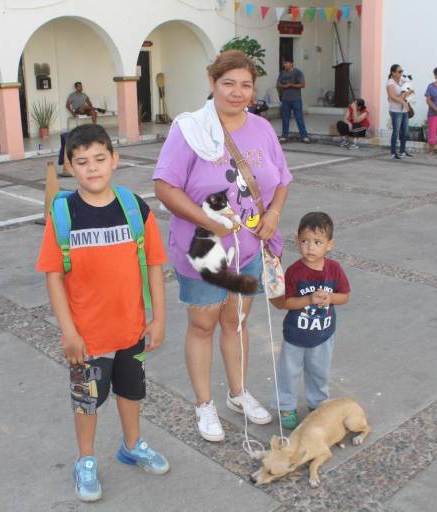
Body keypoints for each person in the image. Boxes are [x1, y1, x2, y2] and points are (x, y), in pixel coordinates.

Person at [154, 50, 292, 442]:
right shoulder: (190, 130)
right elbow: (164, 185)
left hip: (247, 247)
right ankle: (204, 404)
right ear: (212, 83)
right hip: (204, 249)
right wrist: (207, 220)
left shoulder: (262, 128)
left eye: (245, 84)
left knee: (238, 321)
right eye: (228, 83)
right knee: (203, 325)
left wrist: (273, 216)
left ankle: (238, 393)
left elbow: (282, 179)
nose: (237, 92)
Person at [36, 124, 169, 502]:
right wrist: (69, 333)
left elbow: (155, 265)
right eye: (82, 162)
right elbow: (54, 278)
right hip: (88, 337)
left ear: (115, 159)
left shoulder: (133, 208)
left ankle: (132, 445)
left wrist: (158, 317)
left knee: (131, 391)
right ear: (69, 166)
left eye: (99, 159)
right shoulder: (63, 213)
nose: (92, 168)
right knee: (87, 401)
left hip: (132, 330)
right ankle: (86, 460)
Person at [270, 212, 350, 429]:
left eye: (317, 242)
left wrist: (331, 298)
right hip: (295, 335)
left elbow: (345, 296)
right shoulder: (295, 272)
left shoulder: (334, 269)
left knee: (319, 371)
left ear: (329, 244)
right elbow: (286, 302)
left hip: (323, 335)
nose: (310, 247)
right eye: (305, 241)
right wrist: (308, 299)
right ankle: (286, 405)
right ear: (297, 241)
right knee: (289, 372)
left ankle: (318, 403)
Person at [277, 58, 310, 143]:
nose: (284, 65)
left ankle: (304, 136)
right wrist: (284, 86)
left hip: (296, 99)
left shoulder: (298, 72)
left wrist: (291, 85)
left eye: (286, 63)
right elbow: (278, 84)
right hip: (285, 99)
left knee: (299, 118)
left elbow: (303, 85)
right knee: (285, 118)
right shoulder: (282, 73)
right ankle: (284, 136)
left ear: (291, 63)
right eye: (284, 63)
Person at [386, 64, 414, 160]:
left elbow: (408, 88)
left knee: (405, 131)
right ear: (393, 73)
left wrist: (408, 92)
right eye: (399, 71)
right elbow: (392, 97)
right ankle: (393, 153)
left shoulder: (402, 80)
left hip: (404, 110)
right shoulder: (390, 82)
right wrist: (403, 100)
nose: (401, 73)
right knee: (396, 131)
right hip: (395, 110)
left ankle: (403, 151)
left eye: (402, 71)